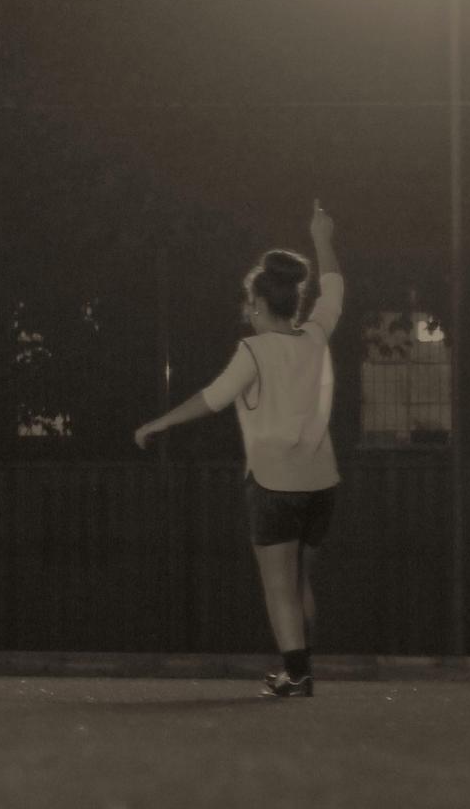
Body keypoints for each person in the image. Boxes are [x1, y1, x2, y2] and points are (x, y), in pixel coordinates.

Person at [134, 201, 343, 698]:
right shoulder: (315, 336)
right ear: (294, 302)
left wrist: (158, 423)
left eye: (247, 302)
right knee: (300, 584)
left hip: (273, 483)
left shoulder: (254, 349)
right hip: (322, 482)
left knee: (277, 587)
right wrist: (321, 237)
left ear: (257, 305)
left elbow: (212, 399)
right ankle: (302, 668)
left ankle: (296, 675)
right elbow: (334, 288)